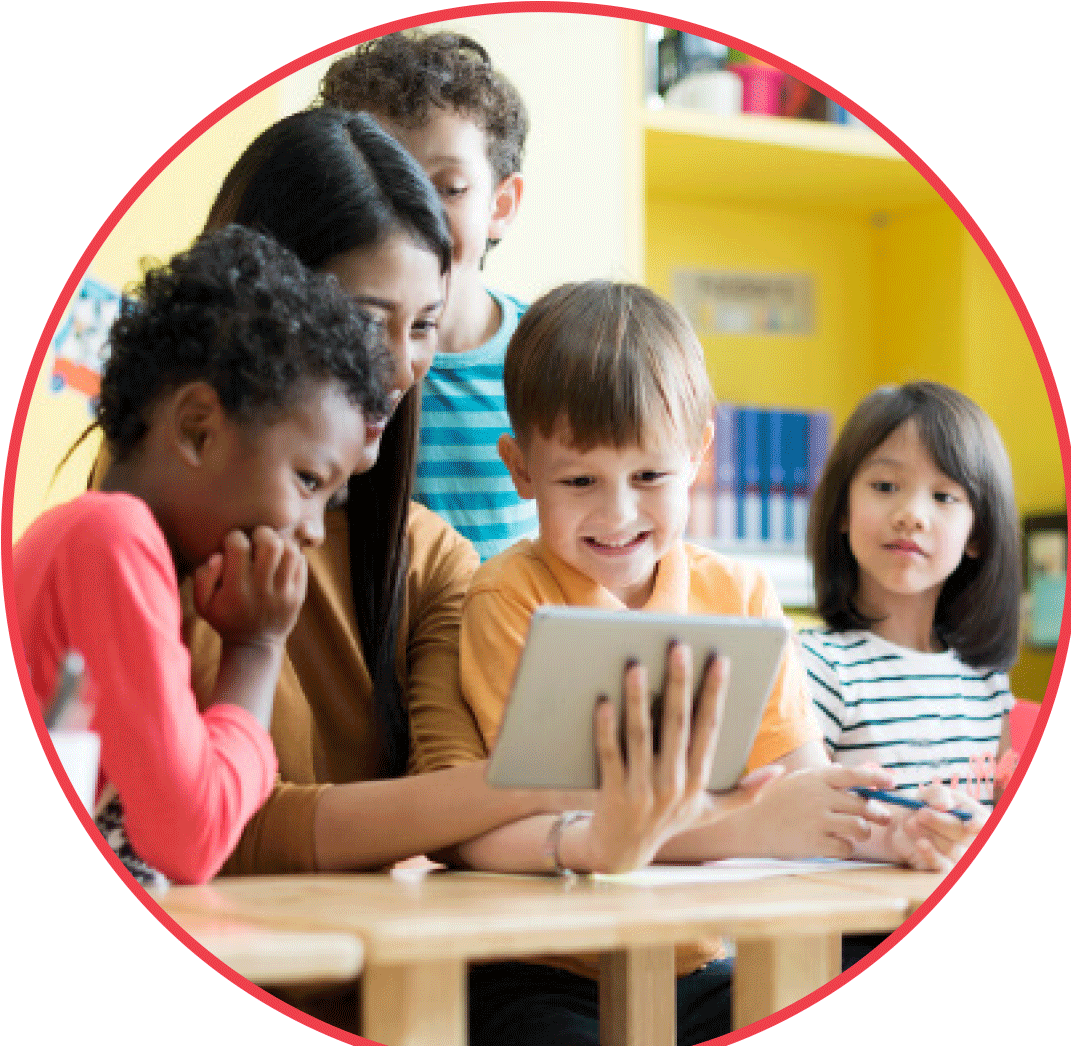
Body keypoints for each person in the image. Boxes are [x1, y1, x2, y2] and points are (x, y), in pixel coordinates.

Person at [180, 109, 723, 891]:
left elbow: (456, 799)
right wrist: (553, 787)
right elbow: (228, 823)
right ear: (256, 310)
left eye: (425, 326)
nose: (400, 370)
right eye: (365, 325)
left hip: (401, 978)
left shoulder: (428, 556)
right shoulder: (160, 526)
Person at [431, 281, 896, 1046]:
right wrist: (745, 825)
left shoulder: (743, 596)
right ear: (519, 468)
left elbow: (801, 789)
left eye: (649, 478)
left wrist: (889, 822)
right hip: (541, 965)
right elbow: (516, 820)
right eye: (579, 482)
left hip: (696, 961)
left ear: (699, 455)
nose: (616, 515)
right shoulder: (508, 597)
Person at [15, 224, 391, 886]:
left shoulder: (110, 544)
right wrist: (256, 649)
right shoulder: (113, 538)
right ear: (197, 429)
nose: (311, 531)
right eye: (307, 481)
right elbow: (190, 838)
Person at [800, 380, 1022, 968]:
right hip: (842, 946)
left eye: (945, 496)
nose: (910, 515)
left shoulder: (986, 683)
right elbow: (793, 824)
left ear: (977, 534)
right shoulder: (814, 667)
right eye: (884, 485)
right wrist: (897, 839)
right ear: (842, 512)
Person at [319, 30, 539, 560]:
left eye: (449, 187)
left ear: (501, 204)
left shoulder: (551, 356)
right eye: (383, 180)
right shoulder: (322, 360)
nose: (416, 216)